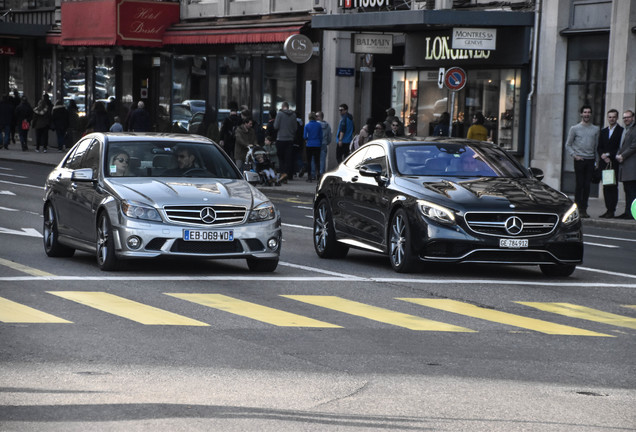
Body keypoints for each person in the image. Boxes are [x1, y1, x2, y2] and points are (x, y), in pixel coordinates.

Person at [565, 105, 600, 219]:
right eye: (585, 112)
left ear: (591, 114)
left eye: (589, 112)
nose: (587, 114)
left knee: (587, 186)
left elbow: (596, 147)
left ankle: (584, 209)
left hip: (590, 160)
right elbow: (568, 145)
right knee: (579, 185)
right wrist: (574, 155)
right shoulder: (574, 128)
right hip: (580, 160)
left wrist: (597, 161)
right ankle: (577, 209)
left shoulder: (595, 129)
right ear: (581, 114)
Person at [597, 109, 623, 218]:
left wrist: (608, 155)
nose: (611, 119)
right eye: (610, 117)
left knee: (613, 187)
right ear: (607, 118)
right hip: (604, 163)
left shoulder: (621, 131)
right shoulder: (603, 131)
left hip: (614, 163)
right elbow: (599, 147)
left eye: (613, 117)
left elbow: (620, 147)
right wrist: (602, 155)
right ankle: (608, 209)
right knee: (606, 187)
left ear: (617, 118)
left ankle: (612, 210)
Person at [615, 110, 636, 220]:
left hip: (631, 166)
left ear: (633, 117)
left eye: (628, 117)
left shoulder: (634, 130)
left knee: (632, 192)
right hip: (625, 166)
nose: (626, 119)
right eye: (624, 118)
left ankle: (632, 213)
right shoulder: (626, 130)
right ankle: (627, 212)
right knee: (627, 190)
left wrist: (623, 155)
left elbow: (633, 146)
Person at [273, 101, 298, 180]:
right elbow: (295, 128)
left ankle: (282, 173)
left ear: (282, 107)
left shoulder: (280, 114)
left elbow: (276, 126)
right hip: (290, 139)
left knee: (281, 158)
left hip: (281, 139)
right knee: (288, 158)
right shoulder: (294, 115)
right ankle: (288, 174)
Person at [303, 112, 322, 182]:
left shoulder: (307, 126)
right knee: (317, 161)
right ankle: (318, 175)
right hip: (317, 144)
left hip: (309, 144)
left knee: (309, 161)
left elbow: (304, 136)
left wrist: (307, 139)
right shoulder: (319, 125)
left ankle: (309, 176)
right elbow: (321, 136)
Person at [316, 111, 332, 177]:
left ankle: (314, 173)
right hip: (324, 143)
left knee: (315, 159)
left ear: (320, 117)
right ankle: (321, 173)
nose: (316, 117)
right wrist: (327, 142)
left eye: (317, 116)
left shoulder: (316, 125)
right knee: (323, 159)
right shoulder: (327, 125)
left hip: (316, 143)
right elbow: (329, 136)